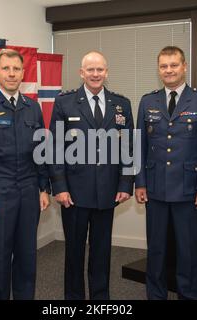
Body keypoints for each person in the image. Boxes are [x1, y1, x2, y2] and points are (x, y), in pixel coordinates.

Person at [135, 46, 197, 300]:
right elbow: (139, 145)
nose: (169, 70)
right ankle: (156, 295)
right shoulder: (148, 101)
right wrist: (140, 182)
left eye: (174, 65)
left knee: (189, 253)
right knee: (157, 251)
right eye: (164, 66)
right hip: (156, 189)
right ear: (159, 69)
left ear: (184, 66)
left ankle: (190, 296)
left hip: (189, 190)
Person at [49, 51, 134, 300]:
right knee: (74, 252)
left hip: (107, 191)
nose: (95, 74)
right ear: (81, 73)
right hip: (74, 193)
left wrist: (126, 182)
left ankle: (100, 299)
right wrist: (60, 186)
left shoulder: (121, 104)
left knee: (101, 252)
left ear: (106, 72)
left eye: (100, 70)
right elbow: (54, 148)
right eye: (90, 70)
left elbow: (129, 146)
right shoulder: (65, 103)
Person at [0, 49, 50, 300]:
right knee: (0, 257)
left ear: (23, 73)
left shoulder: (32, 107)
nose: (12, 74)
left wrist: (43, 187)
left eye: (16, 69)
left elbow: (40, 152)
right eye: (6, 68)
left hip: (28, 191)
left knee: (27, 256)